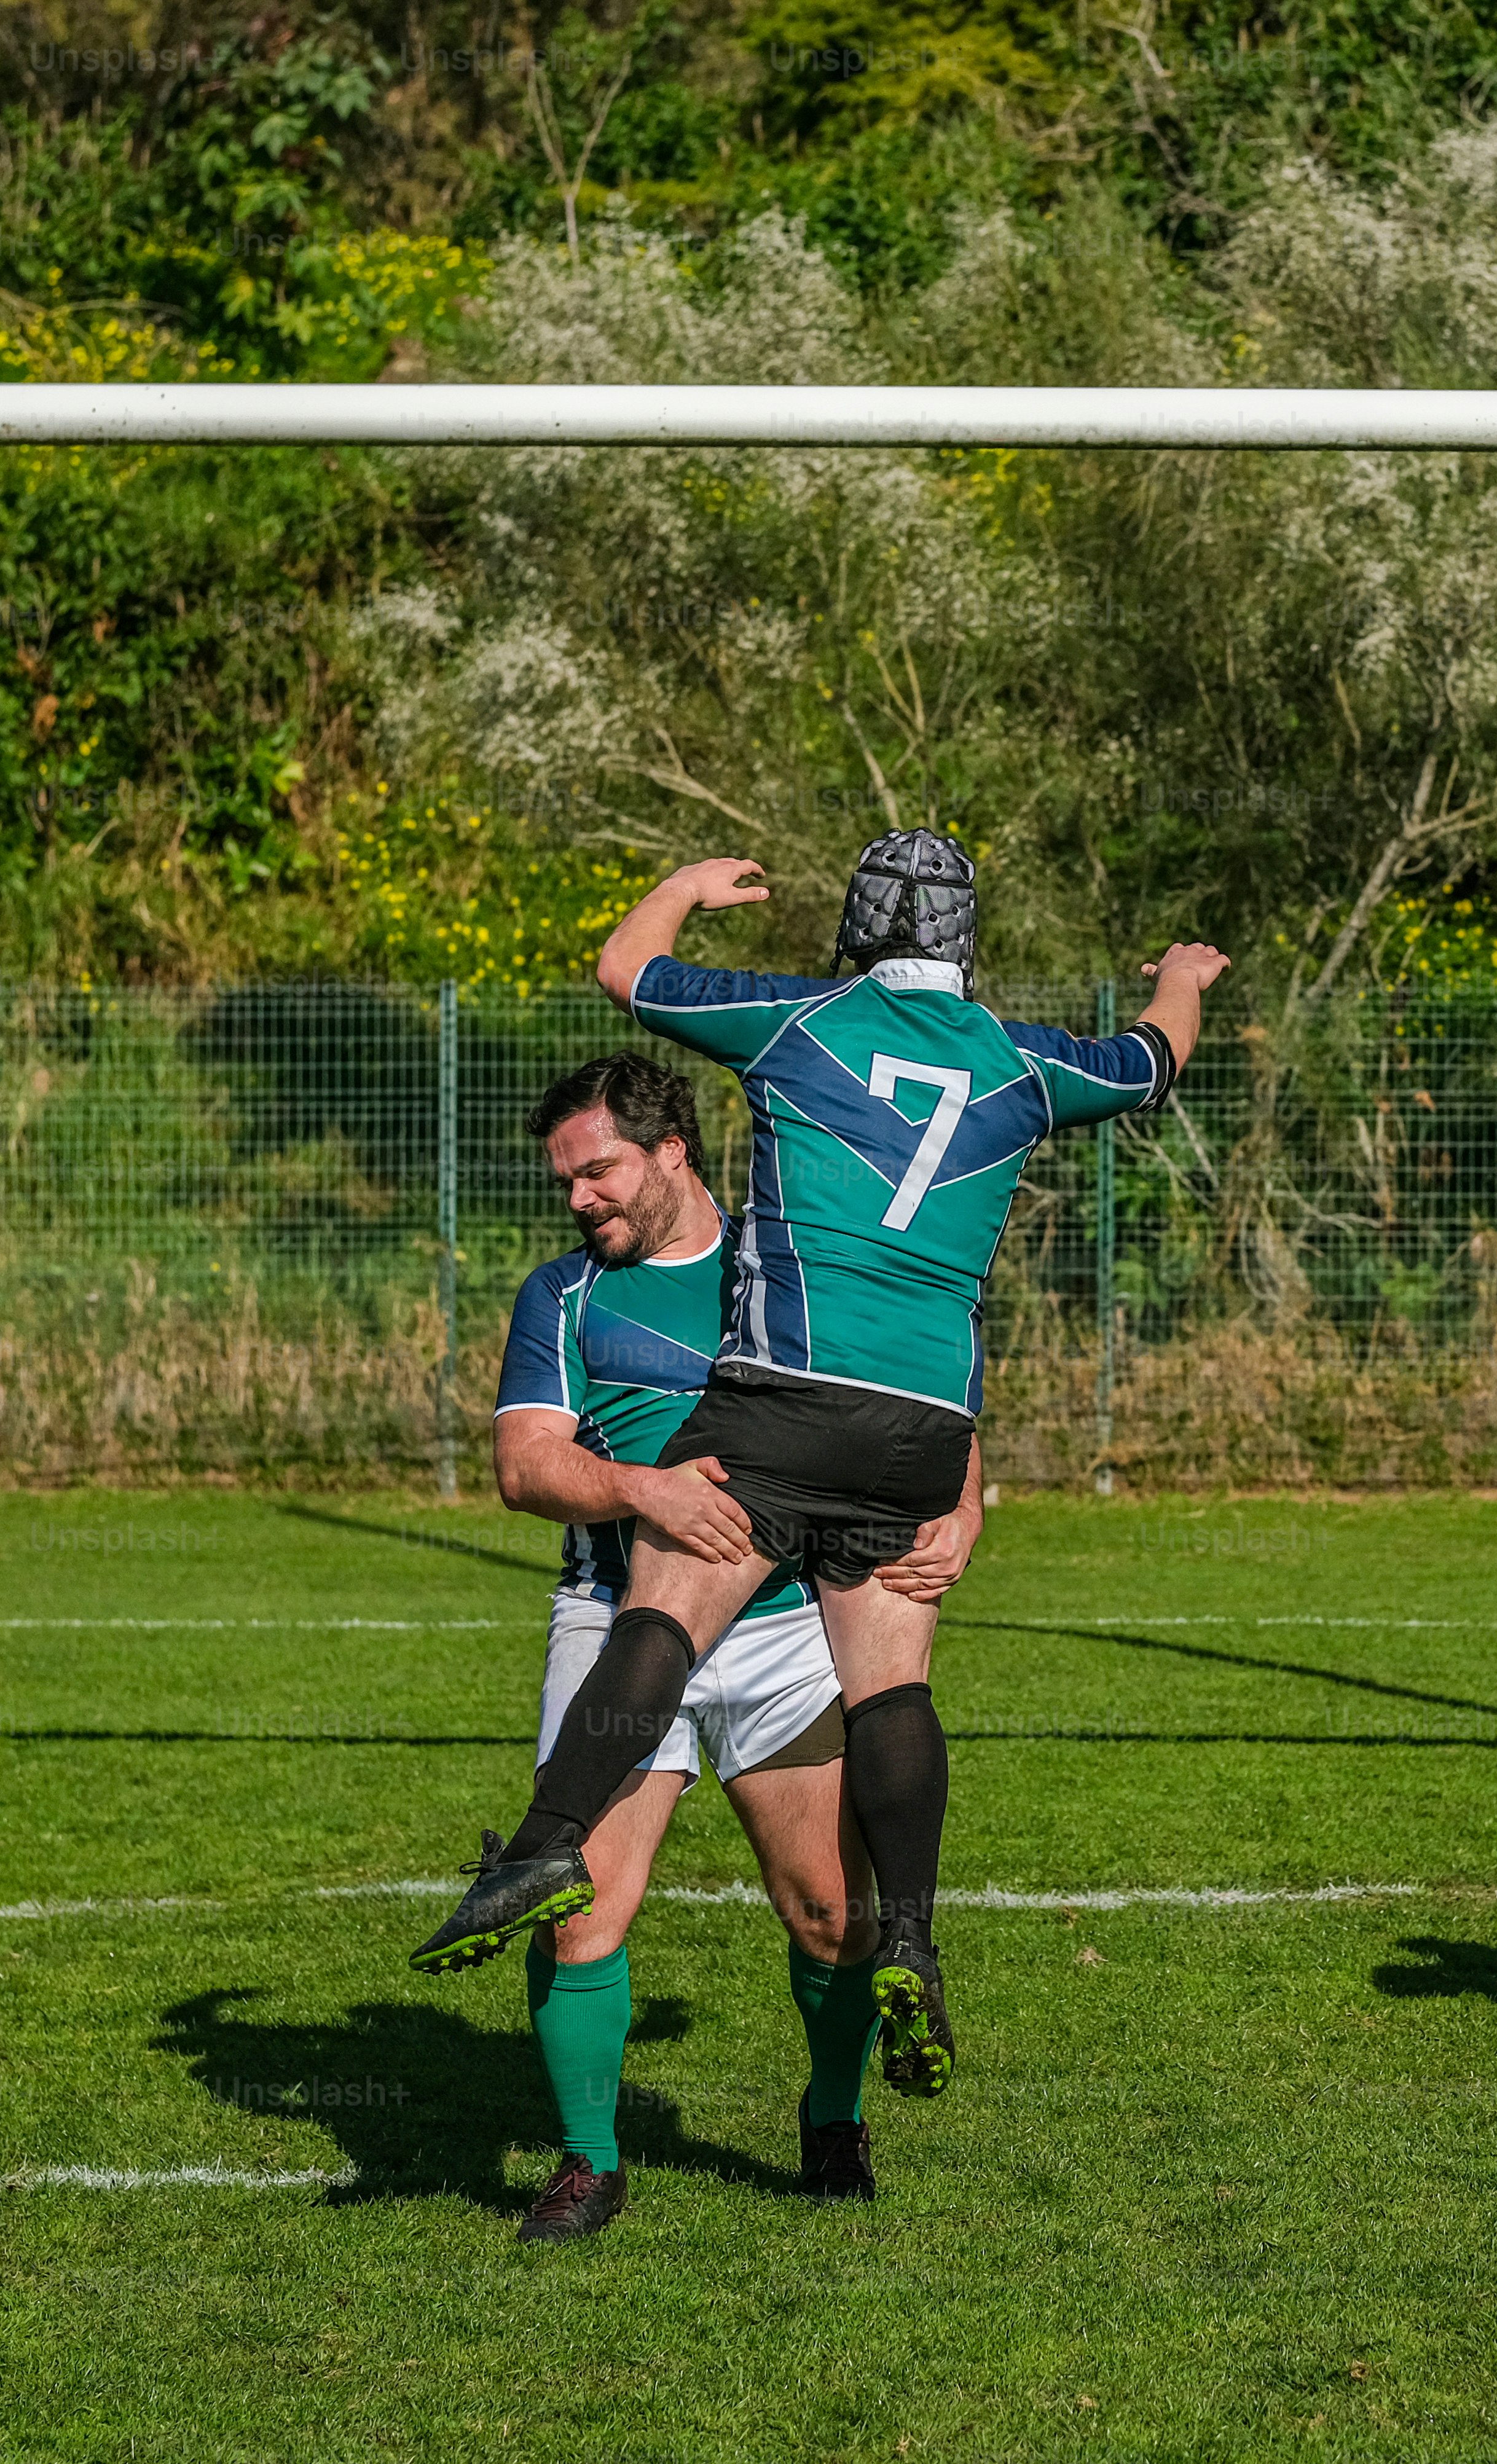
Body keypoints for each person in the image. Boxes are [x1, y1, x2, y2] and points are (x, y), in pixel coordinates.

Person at [418, 831, 1224, 2102]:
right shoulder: (1025, 1061)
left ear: (858, 931)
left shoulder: (799, 1024)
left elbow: (626, 969)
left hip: (787, 1398)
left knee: (664, 1605)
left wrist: (685, 890)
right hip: (923, 1429)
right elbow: (1153, 1060)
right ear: (964, 943)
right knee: (889, 1685)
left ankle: (540, 1846)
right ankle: (908, 1931)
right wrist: (1181, 971)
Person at [484, 1053, 978, 2243]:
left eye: (596, 1172)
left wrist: (964, 1504)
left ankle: (833, 2116)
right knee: (577, 1910)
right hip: (619, 1624)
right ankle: (589, 2163)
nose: (577, 1201)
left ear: (670, 1153)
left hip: (783, 1637)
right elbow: (526, 1467)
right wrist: (639, 1490)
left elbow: (918, 1384)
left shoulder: (802, 1260)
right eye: (564, 1181)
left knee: (828, 1915)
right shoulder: (561, 1296)